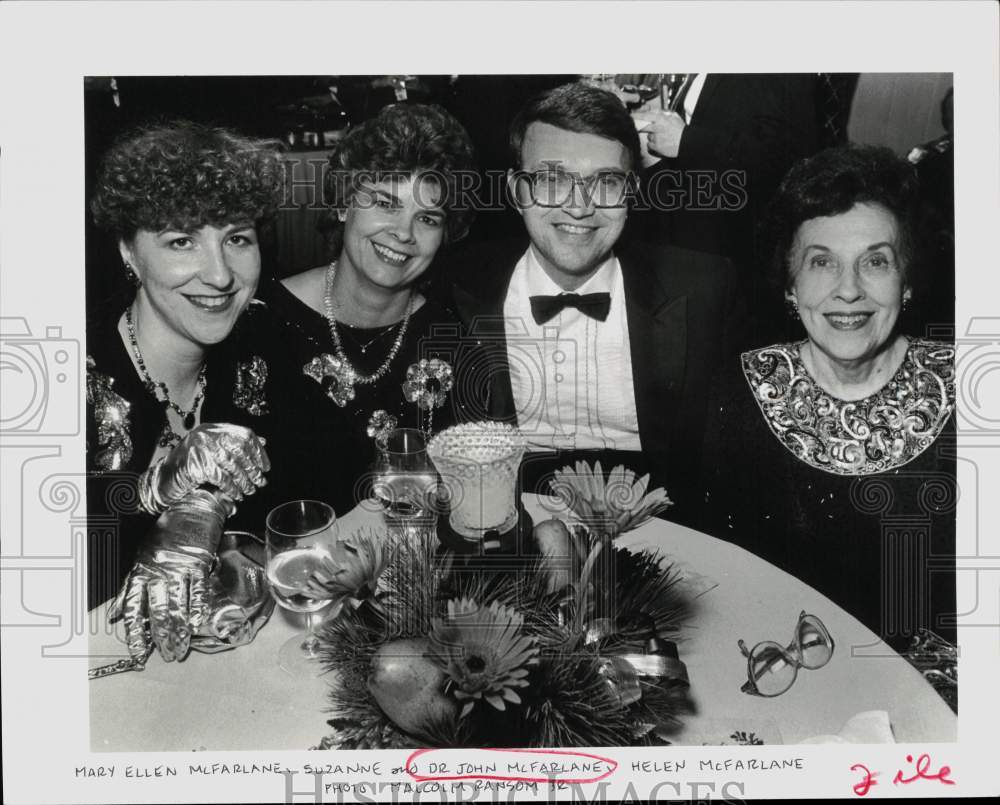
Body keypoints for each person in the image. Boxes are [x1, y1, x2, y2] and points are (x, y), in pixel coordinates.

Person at [437, 82, 738, 527]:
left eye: (606, 182)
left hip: (665, 539)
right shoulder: (450, 289)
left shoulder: (707, 291)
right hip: (507, 536)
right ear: (518, 190)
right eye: (551, 180)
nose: (579, 207)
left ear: (631, 191)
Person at [702, 145, 956, 651]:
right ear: (790, 285)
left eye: (876, 262)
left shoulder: (968, 388)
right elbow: (722, 590)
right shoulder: (741, 390)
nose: (848, 290)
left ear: (907, 281)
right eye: (822, 262)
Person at [87, 121, 285, 659]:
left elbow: (314, 491)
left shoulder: (259, 347)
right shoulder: (69, 377)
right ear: (129, 252)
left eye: (236, 238)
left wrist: (203, 505)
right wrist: (153, 498)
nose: (220, 274)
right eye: (182, 240)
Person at [253, 103, 477, 516]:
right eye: (385, 203)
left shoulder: (453, 342)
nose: (404, 233)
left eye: (427, 218)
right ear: (343, 204)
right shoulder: (259, 323)